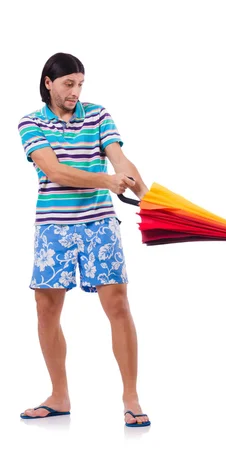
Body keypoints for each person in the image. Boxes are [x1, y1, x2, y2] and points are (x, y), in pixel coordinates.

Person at [17, 52, 151, 427]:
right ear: (49, 83)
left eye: (80, 84)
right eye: (68, 84)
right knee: (46, 311)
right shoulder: (30, 123)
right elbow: (54, 170)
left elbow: (119, 159)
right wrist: (107, 180)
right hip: (53, 228)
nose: (75, 92)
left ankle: (131, 398)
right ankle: (59, 396)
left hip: (99, 225)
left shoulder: (97, 114)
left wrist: (148, 198)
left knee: (119, 306)